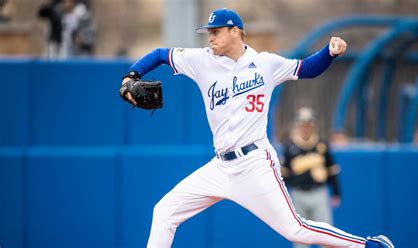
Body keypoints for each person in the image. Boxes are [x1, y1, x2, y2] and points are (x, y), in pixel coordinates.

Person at [121, 8, 394, 248]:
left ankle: (368, 245)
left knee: (295, 229)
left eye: (216, 31)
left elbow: (307, 69)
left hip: (254, 164)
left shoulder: (266, 64)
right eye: (209, 32)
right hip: (219, 167)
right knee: (165, 211)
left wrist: (329, 52)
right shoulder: (201, 59)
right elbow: (160, 54)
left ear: (236, 32)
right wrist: (131, 75)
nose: (210, 37)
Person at [281, 107, 342, 248]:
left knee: (326, 234)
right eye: (303, 124)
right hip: (298, 194)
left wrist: (337, 193)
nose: (306, 128)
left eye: (308, 124)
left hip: (319, 193)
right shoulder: (290, 146)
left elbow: (332, 169)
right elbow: (284, 175)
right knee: (300, 237)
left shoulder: (321, 144)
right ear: (298, 126)